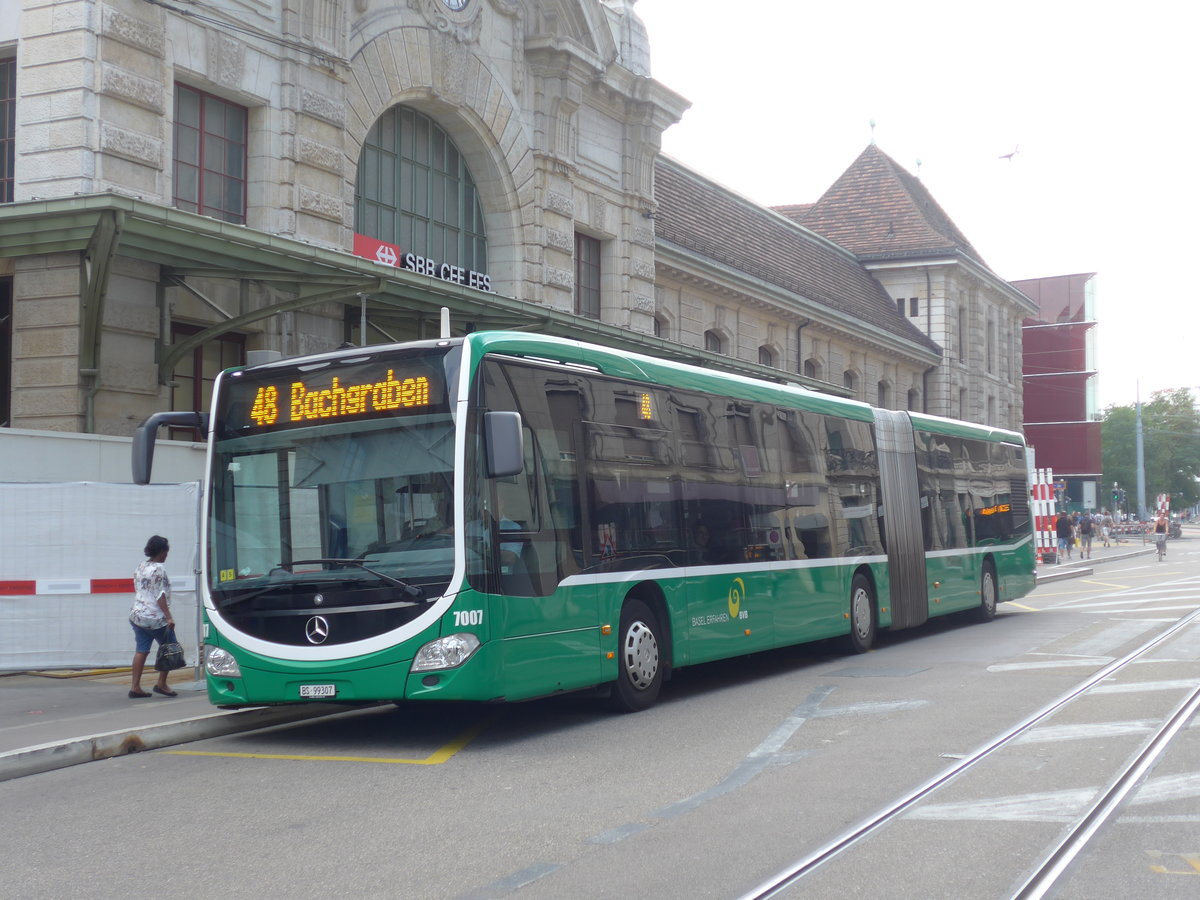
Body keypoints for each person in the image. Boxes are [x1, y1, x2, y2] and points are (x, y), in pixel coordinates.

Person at [128, 535, 177, 698]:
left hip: (138, 615)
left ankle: (135, 687)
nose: (167, 555)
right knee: (169, 648)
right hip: (155, 618)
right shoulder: (159, 569)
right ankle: (161, 683)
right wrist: (169, 617)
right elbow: (160, 596)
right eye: (166, 551)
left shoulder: (141, 566)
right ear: (161, 551)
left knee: (141, 650)